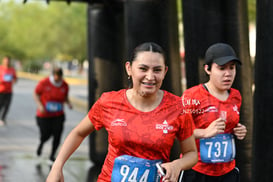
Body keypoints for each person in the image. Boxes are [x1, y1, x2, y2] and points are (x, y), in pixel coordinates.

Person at [46, 42, 198, 182]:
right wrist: (57, 167)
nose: (150, 77)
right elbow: (78, 133)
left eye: (157, 70)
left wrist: (177, 165)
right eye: (143, 69)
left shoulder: (178, 108)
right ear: (129, 68)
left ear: (165, 71)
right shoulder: (109, 102)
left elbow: (191, 154)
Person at [181, 43, 247, 182]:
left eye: (232, 68)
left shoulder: (236, 96)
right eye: (221, 68)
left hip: (227, 172)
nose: (228, 74)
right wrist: (205, 133)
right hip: (197, 171)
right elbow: (178, 132)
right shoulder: (192, 96)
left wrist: (238, 130)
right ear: (208, 69)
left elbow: (229, 125)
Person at [34, 67, 72, 164]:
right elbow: (36, 94)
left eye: (58, 77)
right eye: (55, 76)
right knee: (46, 134)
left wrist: (68, 103)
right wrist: (40, 105)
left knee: (57, 135)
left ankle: (52, 155)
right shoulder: (44, 83)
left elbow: (65, 97)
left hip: (58, 115)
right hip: (44, 115)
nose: (56, 79)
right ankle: (42, 143)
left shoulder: (65, 85)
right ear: (52, 75)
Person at [0, 56, 17, 126]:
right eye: (5, 60)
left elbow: (15, 78)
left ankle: (3, 119)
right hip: (0, 90)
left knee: (7, 106)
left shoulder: (12, 69)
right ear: (3, 61)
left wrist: (13, 81)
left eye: (8, 60)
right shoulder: (0, 68)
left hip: (9, 91)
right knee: (0, 105)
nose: (6, 62)